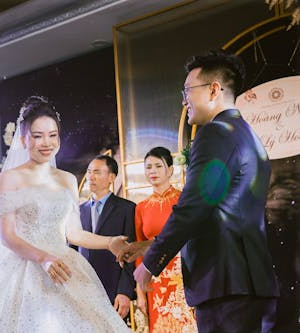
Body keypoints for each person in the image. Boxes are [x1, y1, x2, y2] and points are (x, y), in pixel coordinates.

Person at [119, 50, 279, 332]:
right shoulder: (247, 135)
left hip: (226, 286)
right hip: (250, 282)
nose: (184, 100)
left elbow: (194, 207)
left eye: (187, 90)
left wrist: (151, 263)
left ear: (214, 89)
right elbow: (223, 212)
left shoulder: (214, 134)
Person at [0, 96, 130, 332]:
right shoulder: (11, 177)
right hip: (24, 268)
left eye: (52, 135)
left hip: (63, 266)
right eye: (38, 136)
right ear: (23, 139)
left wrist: (110, 242)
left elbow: (74, 233)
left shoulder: (68, 180)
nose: (46, 142)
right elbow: (8, 235)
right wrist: (42, 257)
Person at [133, 147, 197, 332]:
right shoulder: (141, 208)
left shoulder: (184, 200)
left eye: (158, 166)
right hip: (155, 279)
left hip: (184, 275)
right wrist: (140, 291)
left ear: (170, 170)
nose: (152, 171)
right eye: (148, 167)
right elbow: (139, 253)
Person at [73, 155, 135, 319]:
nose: (90, 177)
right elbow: (71, 251)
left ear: (111, 177)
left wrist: (124, 292)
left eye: (97, 172)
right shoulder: (77, 211)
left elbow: (132, 255)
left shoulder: (127, 209)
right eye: (89, 172)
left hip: (113, 289)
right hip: (83, 290)